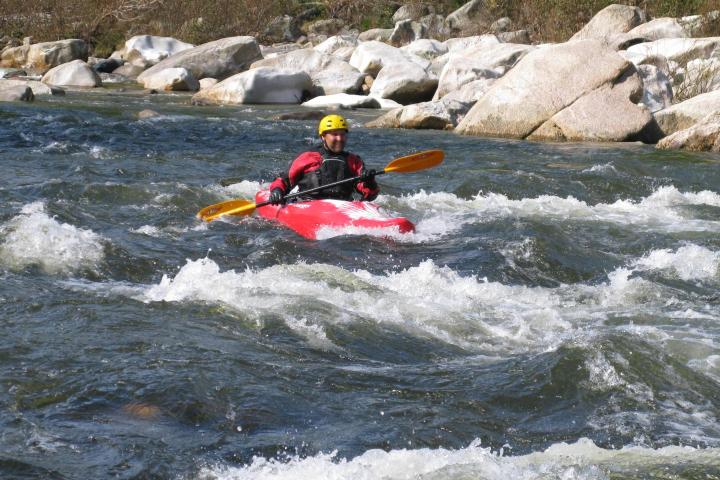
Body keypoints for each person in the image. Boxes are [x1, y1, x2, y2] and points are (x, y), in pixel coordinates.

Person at [267, 114, 379, 205]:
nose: (339, 139)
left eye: (342, 134)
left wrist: (370, 181)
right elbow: (283, 180)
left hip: (342, 207)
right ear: (323, 136)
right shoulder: (307, 157)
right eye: (334, 134)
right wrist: (277, 191)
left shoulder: (354, 161)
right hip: (308, 205)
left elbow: (370, 195)